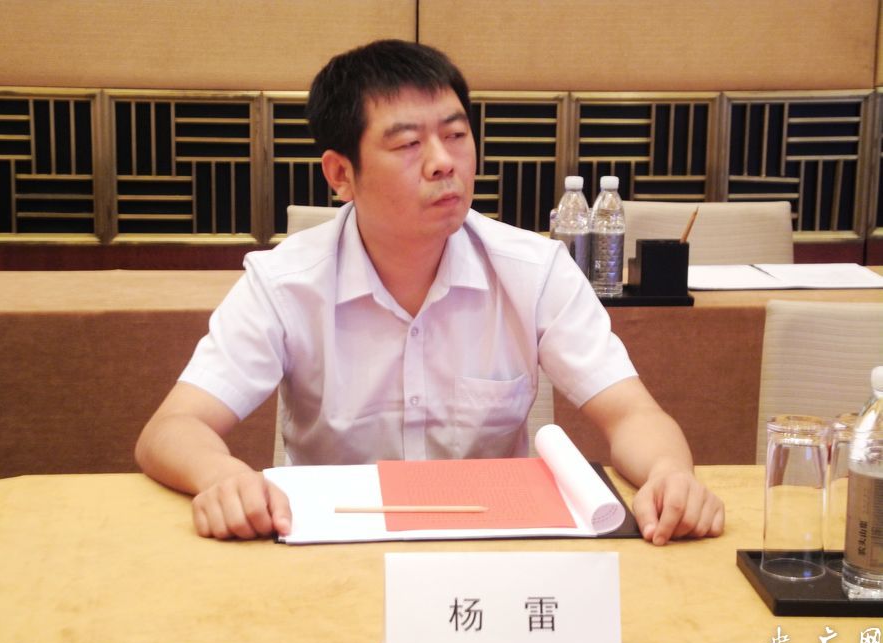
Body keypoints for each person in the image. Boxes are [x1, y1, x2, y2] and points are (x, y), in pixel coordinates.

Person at [135, 39, 724, 546]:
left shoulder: (534, 270)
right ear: (340, 174)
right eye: (407, 144)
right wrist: (221, 477)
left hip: (495, 548)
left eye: (456, 135)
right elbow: (171, 430)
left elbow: (631, 414)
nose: (444, 162)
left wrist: (669, 472)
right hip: (338, 545)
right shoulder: (284, 284)